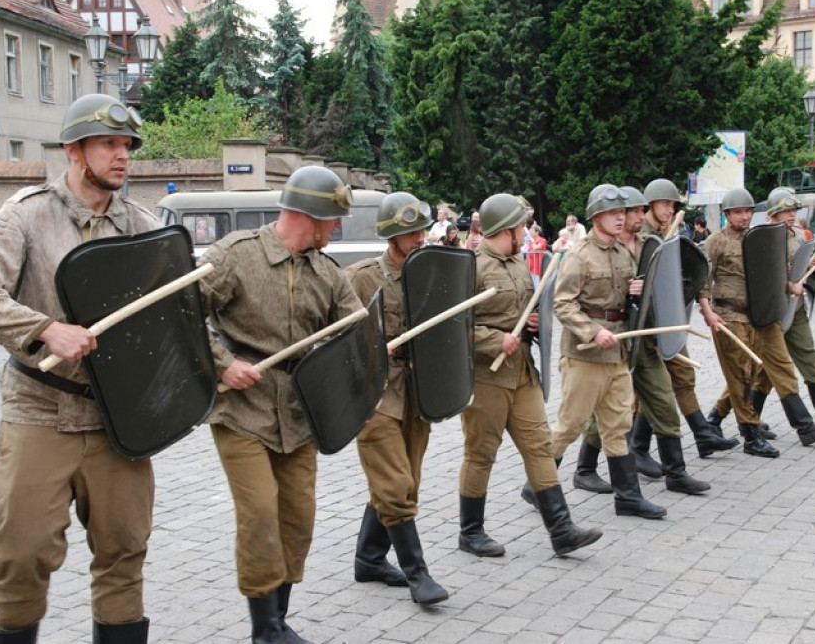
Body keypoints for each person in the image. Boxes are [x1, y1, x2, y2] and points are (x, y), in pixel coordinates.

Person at [0, 93, 156, 642]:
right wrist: (43, 328)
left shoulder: (142, 226)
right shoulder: (26, 215)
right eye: (108, 143)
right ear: (73, 150)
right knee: (19, 554)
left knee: (124, 555)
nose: (122, 155)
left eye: (126, 145)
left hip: (117, 422)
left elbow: (174, 322)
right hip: (38, 410)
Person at [198, 165, 363, 643]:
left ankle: (280, 616)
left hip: (299, 412)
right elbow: (182, 311)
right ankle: (265, 629)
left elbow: (356, 329)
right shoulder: (235, 257)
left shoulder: (328, 273)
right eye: (334, 220)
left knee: (297, 518)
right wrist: (222, 363)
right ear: (311, 217)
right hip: (240, 409)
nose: (338, 229)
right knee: (260, 515)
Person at [458, 193, 603, 557]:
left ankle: (561, 529)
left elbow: (525, 312)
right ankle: (470, 532)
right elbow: (454, 327)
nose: (525, 232)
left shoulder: (520, 264)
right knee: (481, 454)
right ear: (506, 229)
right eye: (521, 225)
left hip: (522, 372)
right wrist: (494, 339)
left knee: (538, 446)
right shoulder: (469, 268)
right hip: (485, 378)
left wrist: (535, 326)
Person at [569, 187, 711, 497]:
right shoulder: (603, 249)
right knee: (603, 412)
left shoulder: (650, 245)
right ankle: (584, 469)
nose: (628, 217)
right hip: (616, 339)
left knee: (662, 400)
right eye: (627, 212)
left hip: (646, 339)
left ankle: (676, 473)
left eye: (631, 212)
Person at [345, 192, 448, 606]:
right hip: (375, 394)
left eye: (422, 228)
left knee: (407, 482)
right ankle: (417, 574)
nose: (420, 236)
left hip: (416, 393)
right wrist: (370, 346)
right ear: (392, 234)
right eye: (410, 231)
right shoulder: (361, 277)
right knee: (395, 484)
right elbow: (337, 336)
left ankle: (369, 558)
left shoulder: (429, 273)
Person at [550, 185, 667, 519]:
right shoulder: (578, 255)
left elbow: (626, 303)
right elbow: (562, 304)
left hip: (617, 351)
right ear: (596, 216)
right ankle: (538, 483)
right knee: (570, 425)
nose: (621, 218)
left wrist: (635, 293)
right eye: (614, 213)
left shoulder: (622, 254)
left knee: (617, 426)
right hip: (585, 354)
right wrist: (592, 330)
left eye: (623, 213)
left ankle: (628, 497)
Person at [699, 188, 815, 457]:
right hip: (730, 315)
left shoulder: (759, 238)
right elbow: (703, 278)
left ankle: (802, 425)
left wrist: (790, 285)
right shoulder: (716, 241)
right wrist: (707, 312)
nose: (743, 216)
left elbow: (771, 276)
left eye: (747, 211)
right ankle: (751, 436)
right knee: (741, 375)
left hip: (763, 314)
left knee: (778, 367)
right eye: (738, 211)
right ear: (727, 214)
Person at [628, 178, 737, 477]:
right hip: (647, 325)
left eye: (673, 204)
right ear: (650, 205)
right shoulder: (643, 238)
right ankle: (635, 448)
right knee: (654, 389)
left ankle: (702, 433)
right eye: (665, 204)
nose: (670, 209)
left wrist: (703, 306)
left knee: (682, 376)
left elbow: (689, 275)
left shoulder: (671, 233)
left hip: (668, 320)